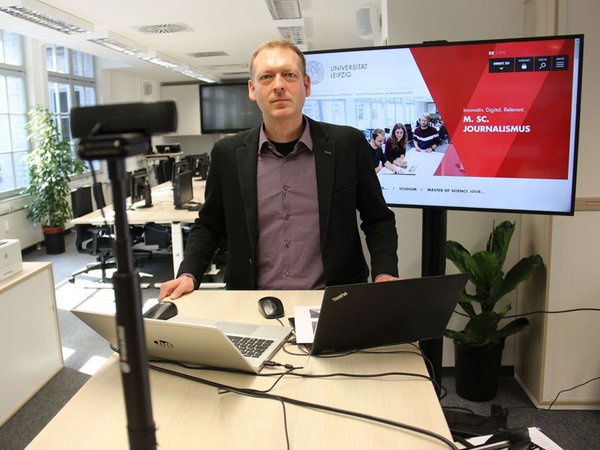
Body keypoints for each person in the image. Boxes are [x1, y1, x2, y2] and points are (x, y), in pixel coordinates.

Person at [158, 39, 399, 301]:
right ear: (252, 89)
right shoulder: (227, 153)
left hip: (334, 301)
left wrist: (384, 274)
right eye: (266, 77)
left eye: (289, 75)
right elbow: (209, 225)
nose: (279, 85)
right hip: (251, 301)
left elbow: (378, 219)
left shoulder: (347, 145)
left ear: (306, 84)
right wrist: (188, 274)